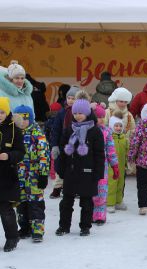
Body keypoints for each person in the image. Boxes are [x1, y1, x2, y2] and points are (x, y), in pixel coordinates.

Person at [55, 98, 105, 237]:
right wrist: (61, 169)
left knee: (86, 202)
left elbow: (100, 154)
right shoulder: (69, 129)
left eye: (81, 113)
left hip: (88, 173)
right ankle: (64, 226)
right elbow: (62, 150)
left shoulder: (95, 131)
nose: (77, 115)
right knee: (66, 202)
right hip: (71, 171)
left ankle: (85, 226)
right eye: (75, 113)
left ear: (87, 113)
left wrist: (98, 174)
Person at [14, 105, 50, 242]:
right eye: (19, 119)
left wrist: (43, 174)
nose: (22, 122)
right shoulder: (14, 134)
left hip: (34, 176)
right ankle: (24, 228)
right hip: (18, 176)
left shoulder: (37, 134)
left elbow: (44, 155)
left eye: (25, 118)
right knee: (21, 203)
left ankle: (37, 230)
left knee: (35, 203)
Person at [0, 97, 25, 252]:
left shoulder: (14, 129)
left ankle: (12, 237)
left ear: (7, 112)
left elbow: (21, 152)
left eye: (2, 112)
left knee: (5, 209)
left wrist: (9, 156)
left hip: (6, 176)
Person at [49, 85, 80, 199]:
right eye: (69, 98)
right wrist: (55, 146)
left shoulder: (82, 112)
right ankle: (57, 188)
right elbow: (55, 130)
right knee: (60, 167)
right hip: (63, 145)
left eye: (73, 98)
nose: (70, 100)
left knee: (75, 167)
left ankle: (75, 188)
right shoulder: (62, 112)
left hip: (76, 145)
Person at [92, 105, 119, 224]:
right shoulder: (89, 130)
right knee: (91, 191)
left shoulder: (107, 131)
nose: (101, 119)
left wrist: (114, 165)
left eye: (103, 116)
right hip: (90, 165)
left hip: (103, 167)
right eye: (98, 117)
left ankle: (100, 214)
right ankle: (89, 213)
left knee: (101, 190)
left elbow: (111, 149)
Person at [107, 111, 128, 213]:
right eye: (116, 126)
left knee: (120, 183)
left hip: (121, 166)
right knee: (112, 184)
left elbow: (127, 150)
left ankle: (118, 201)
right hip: (111, 166)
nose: (118, 128)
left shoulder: (124, 138)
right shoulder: (109, 138)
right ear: (111, 126)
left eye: (120, 126)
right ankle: (110, 203)